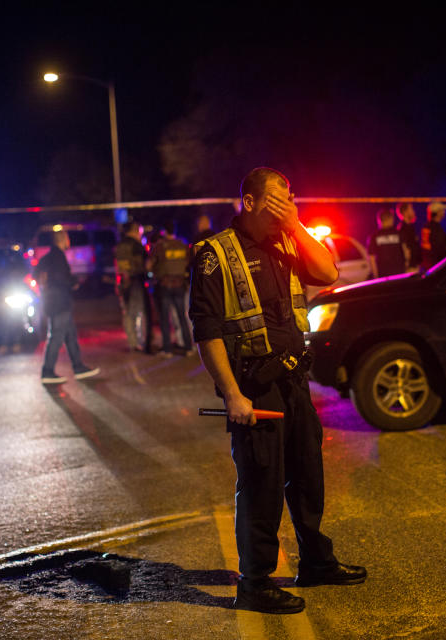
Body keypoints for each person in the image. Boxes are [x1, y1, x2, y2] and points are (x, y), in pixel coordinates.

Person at [190, 167, 367, 615]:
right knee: (261, 483)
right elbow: (207, 331)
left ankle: (316, 561)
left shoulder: (287, 239)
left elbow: (326, 272)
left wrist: (295, 224)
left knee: (308, 475)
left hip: (294, 382)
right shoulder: (215, 254)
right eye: (276, 202)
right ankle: (255, 583)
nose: (285, 209)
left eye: (290, 200)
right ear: (248, 202)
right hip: (254, 386)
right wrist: (232, 395)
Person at [33, 229, 99, 384]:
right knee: (56, 336)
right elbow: (63, 278)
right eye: (66, 238)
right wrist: (74, 282)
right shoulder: (58, 257)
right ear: (61, 240)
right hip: (59, 302)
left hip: (52, 301)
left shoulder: (47, 257)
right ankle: (48, 371)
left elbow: (36, 274)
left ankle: (78, 367)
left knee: (70, 336)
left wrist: (44, 284)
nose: (68, 241)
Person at [149, 220, 192, 357]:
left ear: (164, 232)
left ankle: (167, 349)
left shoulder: (160, 247)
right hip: (180, 285)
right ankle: (188, 347)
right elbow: (188, 263)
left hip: (165, 285)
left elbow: (149, 265)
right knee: (182, 317)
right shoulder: (183, 245)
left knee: (164, 318)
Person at [114, 222, 150, 352]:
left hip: (123, 282)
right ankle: (140, 342)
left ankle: (132, 342)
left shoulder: (119, 246)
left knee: (128, 313)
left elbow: (117, 266)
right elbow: (145, 265)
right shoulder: (137, 246)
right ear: (135, 231)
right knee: (139, 313)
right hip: (136, 282)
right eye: (140, 232)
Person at [366, 207, 406, 278]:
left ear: (379, 220)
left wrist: (375, 276)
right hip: (399, 274)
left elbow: (371, 258)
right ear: (391, 219)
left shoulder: (374, 236)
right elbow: (406, 252)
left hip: (383, 276)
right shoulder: (399, 233)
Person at [420, 200, 446, 270]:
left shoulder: (427, 226)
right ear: (438, 212)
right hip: (435, 264)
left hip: (428, 263)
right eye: (442, 210)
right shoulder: (436, 228)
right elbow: (439, 247)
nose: (444, 212)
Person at [396, 202, 421, 273]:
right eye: (411, 210)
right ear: (405, 212)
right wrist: (407, 264)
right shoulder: (402, 229)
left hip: (415, 266)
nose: (414, 212)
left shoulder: (412, 227)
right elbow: (405, 250)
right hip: (410, 268)